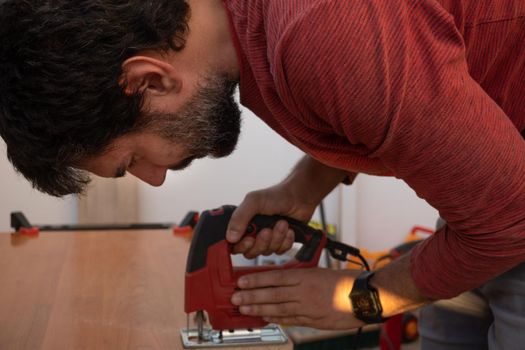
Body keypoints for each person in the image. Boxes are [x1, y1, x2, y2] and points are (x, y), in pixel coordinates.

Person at [1, 0, 524, 348]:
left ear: (149, 80)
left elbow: (509, 221)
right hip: (484, 210)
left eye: (132, 159)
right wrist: (302, 187)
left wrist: (364, 298)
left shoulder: (320, 34)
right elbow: (403, 95)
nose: (155, 178)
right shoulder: (263, 31)